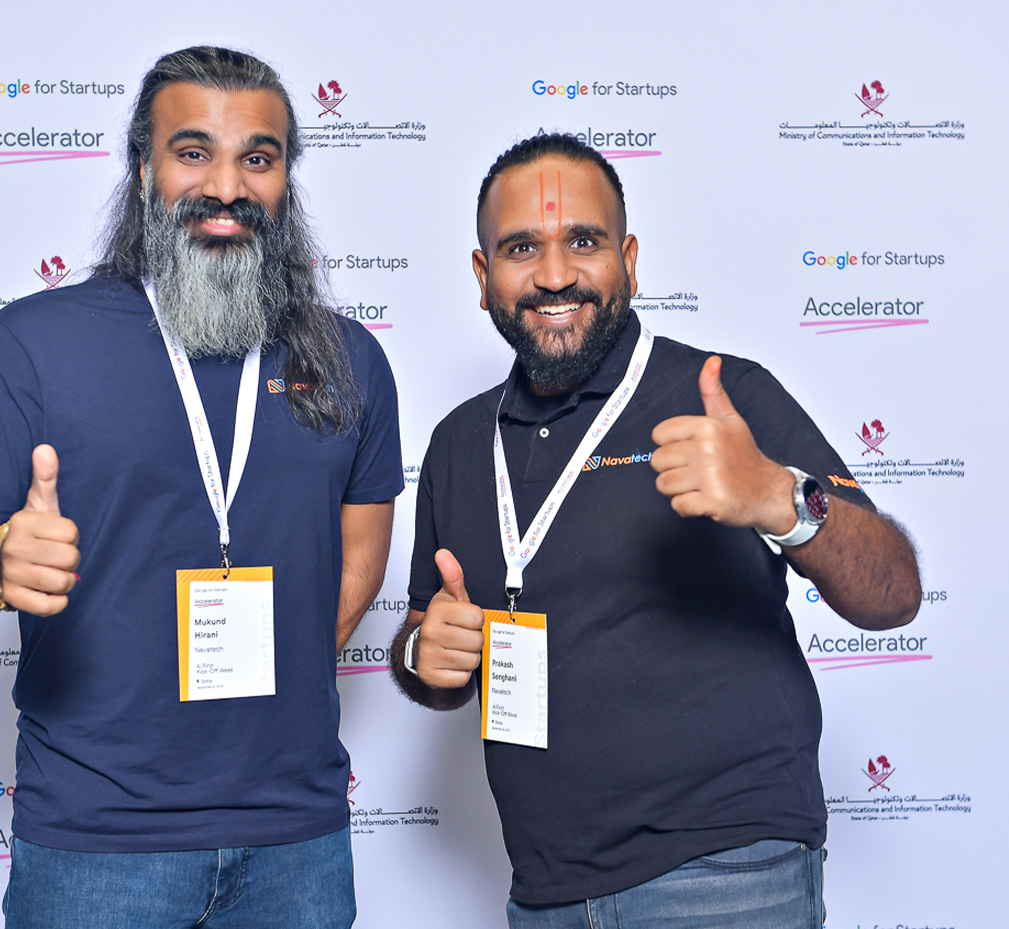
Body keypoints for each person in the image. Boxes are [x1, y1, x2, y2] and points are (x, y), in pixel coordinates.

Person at [0, 47, 402, 928]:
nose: (227, 185)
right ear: (143, 168)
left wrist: (280, 669)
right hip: (94, 848)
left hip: (299, 844)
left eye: (258, 156)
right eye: (192, 152)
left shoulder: (349, 358)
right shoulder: (32, 345)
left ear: (286, 178)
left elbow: (360, 556)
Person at [390, 133, 921, 928]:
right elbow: (428, 640)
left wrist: (779, 497)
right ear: (483, 276)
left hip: (726, 875)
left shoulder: (723, 396)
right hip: (543, 889)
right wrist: (418, 654)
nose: (556, 274)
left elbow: (895, 591)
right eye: (522, 247)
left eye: (585, 241)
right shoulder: (459, 443)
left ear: (629, 260)